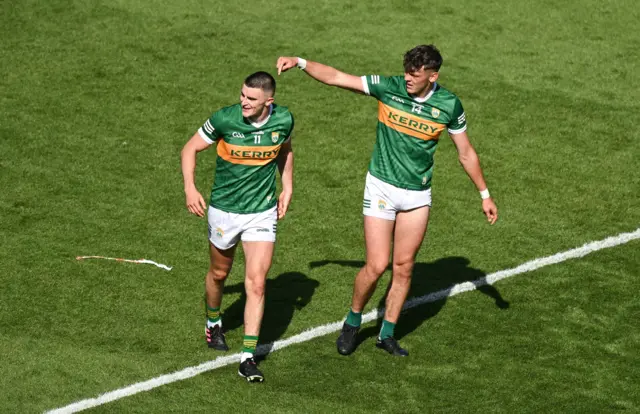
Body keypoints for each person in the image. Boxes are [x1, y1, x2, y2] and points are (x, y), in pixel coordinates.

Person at [276, 45, 497, 357]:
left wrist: (484, 194)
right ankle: (352, 322)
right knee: (377, 264)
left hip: (417, 195)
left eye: (415, 74)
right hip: (381, 187)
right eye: (406, 70)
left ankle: (387, 334)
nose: (407, 78)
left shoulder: (449, 105)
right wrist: (300, 62)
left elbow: (465, 152)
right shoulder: (389, 88)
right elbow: (339, 77)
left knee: (404, 267)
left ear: (432, 77)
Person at [181, 71, 294, 381]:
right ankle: (213, 322)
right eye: (243, 95)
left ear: (268, 101)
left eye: (251, 99)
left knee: (257, 282)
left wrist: (287, 186)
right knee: (219, 273)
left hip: (262, 212)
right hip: (224, 211)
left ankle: (248, 357)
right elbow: (189, 149)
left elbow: (285, 150)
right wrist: (190, 188)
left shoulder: (283, 120)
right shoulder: (225, 119)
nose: (244, 102)